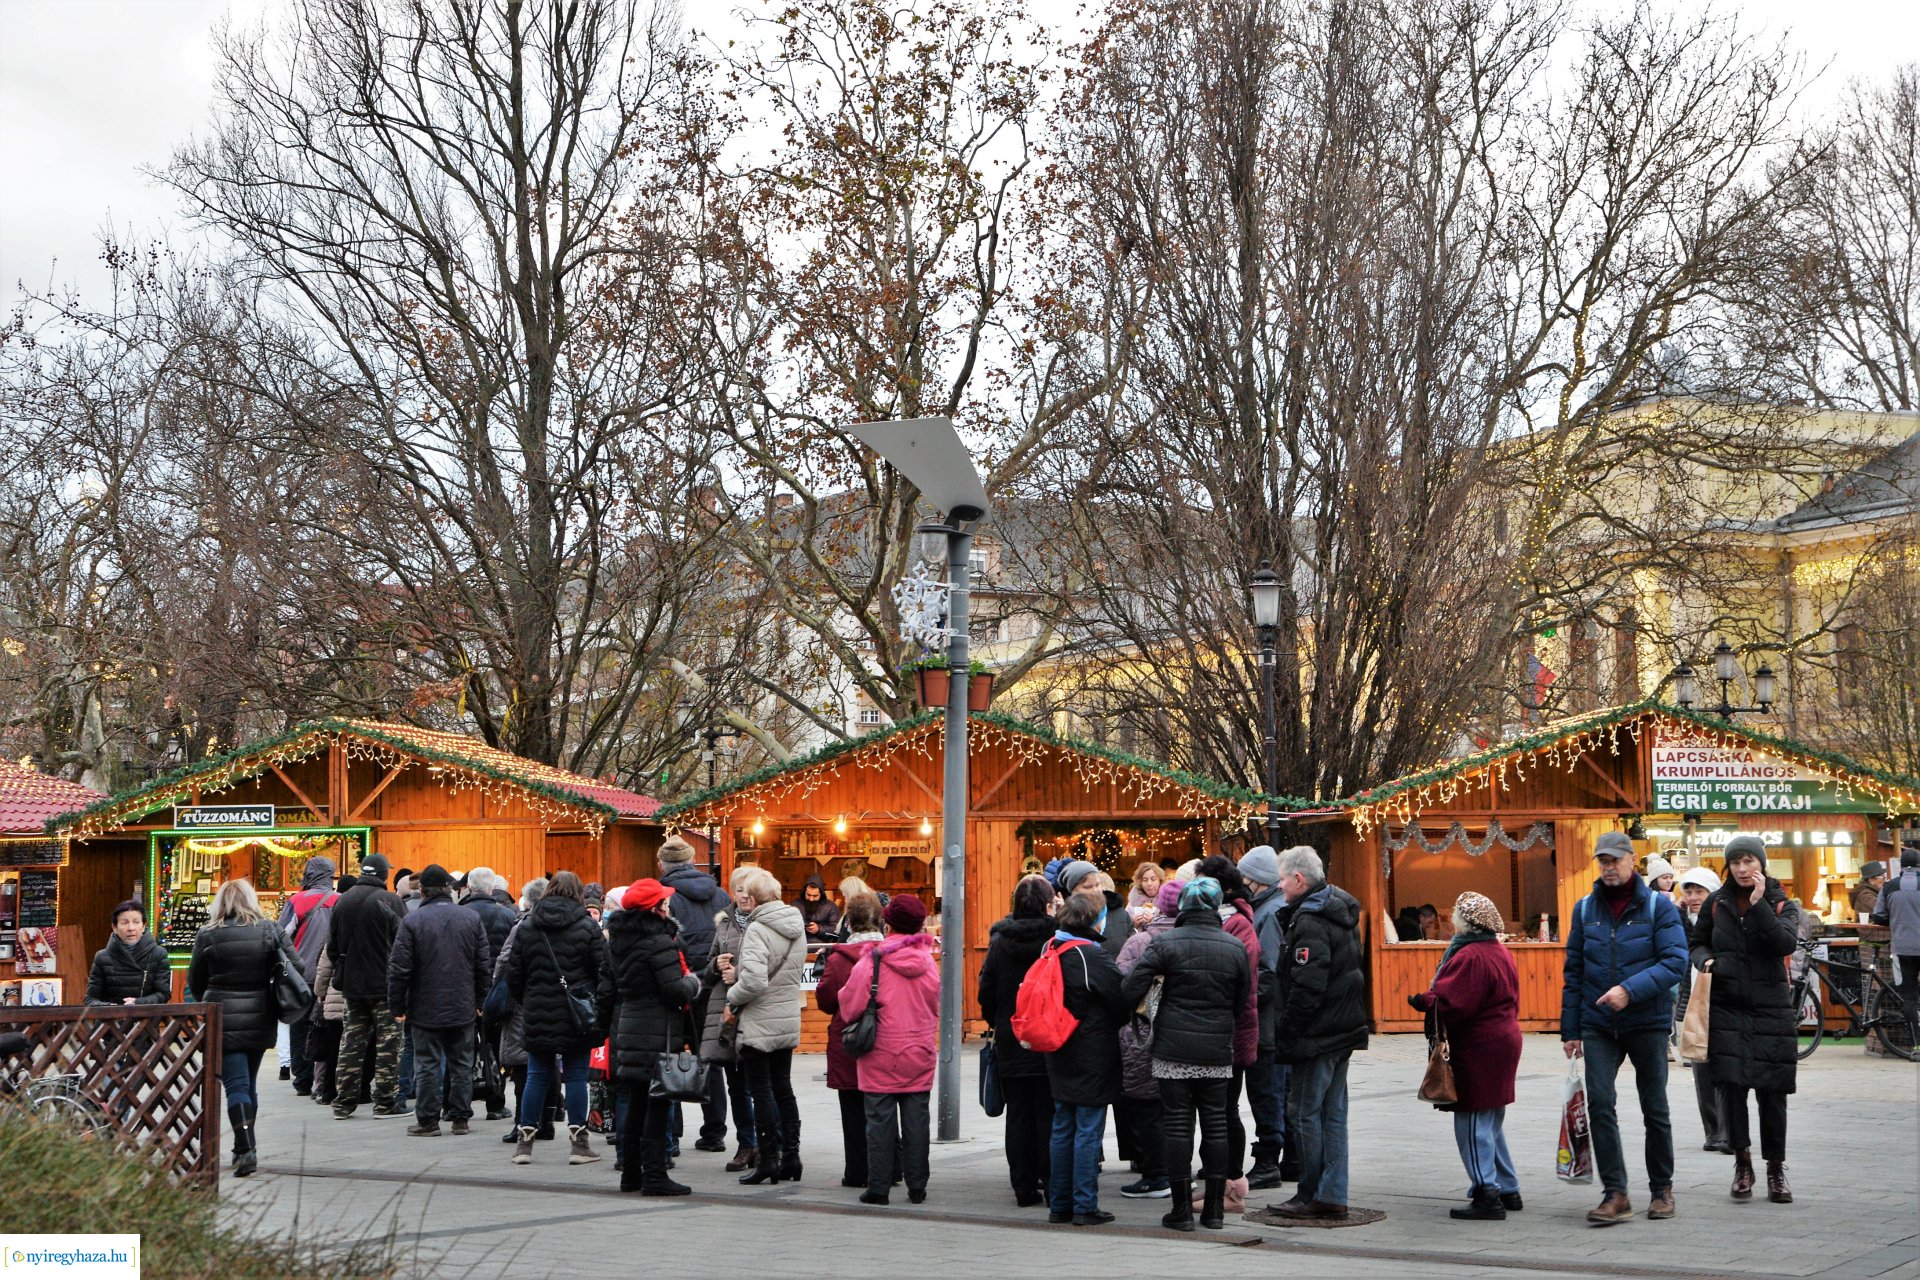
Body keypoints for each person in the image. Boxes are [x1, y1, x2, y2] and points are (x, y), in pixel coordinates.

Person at [1561, 829, 1689, 1225]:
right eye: (1603, 861)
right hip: (1599, 1024)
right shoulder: (1585, 909)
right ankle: (1615, 1194)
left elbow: (1675, 962)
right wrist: (1570, 1029)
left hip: (1646, 1022)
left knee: (1655, 1107)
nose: (1609, 867)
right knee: (1600, 1105)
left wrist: (1629, 991)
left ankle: (1661, 1189)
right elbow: (1574, 971)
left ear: (1633, 860)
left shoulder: (1657, 907)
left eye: (1615, 860)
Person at [1120, 877, 1250, 1232]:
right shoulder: (1234, 947)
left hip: (1172, 1049)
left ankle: (1181, 1211)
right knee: (1215, 1124)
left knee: (1177, 1125)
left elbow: (1130, 989)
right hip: (1216, 1049)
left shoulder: (1165, 944)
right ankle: (1214, 1211)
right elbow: (1240, 1002)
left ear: (1183, 908)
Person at [1692, 835, 1800, 1205]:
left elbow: (1785, 944)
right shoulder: (1716, 903)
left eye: (1749, 861)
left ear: (1761, 864)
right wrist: (1707, 961)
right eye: (1736, 862)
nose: (1742, 868)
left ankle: (1775, 1169)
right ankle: (1742, 1164)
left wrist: (1759, 906)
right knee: (1731, 1088)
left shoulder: (1782, 902)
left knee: (1773, 1092)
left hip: (1771, 1009)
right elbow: (1697, 942)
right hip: (1727, 1007)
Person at [1265, 846, 1367, 1222]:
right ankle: (1331, 1192)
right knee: (1333, 1113)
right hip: (1342, 1029)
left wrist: (1288, 1033)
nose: (1279, 886)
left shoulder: (1310, 919)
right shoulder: (1337, 909)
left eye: (1282, 879)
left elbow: (1307, 985)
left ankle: (1311, 1193)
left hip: (1318, 1035)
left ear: (1299, 879)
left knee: (1304, 1112)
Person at [1408, 892, 1523, 1221]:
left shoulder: (1471, 955)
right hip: (1502, 1040)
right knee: (1490, 1122)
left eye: (1457, 914)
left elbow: (1454, 1003)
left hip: (1478, 1046)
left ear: (1467, 922)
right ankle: (1507, 1187)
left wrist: (1425, 1001)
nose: (1453, 919)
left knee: (1472, 1121)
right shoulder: (1498, 950)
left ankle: (1487, 1193)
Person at [187, 879, 297, 1177]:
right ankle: (243, 1147)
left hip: (222, 1018)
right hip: (261, 1015)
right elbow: (295, 965)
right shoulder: (269, 930)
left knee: (236, 1086)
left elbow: (196, 982)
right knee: (248, 1085)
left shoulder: (208, 934)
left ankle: (246, 1149)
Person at [838, 893, 941, 1205]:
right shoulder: (928, 963)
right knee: (917, 1121)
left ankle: (879, 1188)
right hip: (919, 1050)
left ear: (888, 923)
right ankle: (917, 1187)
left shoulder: (872, 961)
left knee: (879, 1121)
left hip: (880, 1051)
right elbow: (934, 1004)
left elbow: (850, 1006)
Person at [506, 870, 613, 1166]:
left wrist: (529, 999)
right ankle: (579, 1145)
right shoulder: (587, 926)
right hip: (576, 1013)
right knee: (576, 1076)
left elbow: (513, 973)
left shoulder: (529, 925)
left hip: (537, 1009)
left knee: (537, 1075)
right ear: (578, 893)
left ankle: (524, 1144)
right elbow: (603, 970)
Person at [606, 877, 703, 1195]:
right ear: (654, 908)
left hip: (629, 1026)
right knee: (658, 1106)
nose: (668, 907)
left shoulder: (619, 940)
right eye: (664, 903)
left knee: (635, 1105)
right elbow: (674, 989)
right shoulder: (659, 941)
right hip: (657, 1030)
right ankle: (655, 1176)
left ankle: (631, 1174)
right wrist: (693, 982)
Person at [1041, 891, 1129, 1227]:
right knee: (1088, 1129)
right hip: (1092, 1051)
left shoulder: (1051, 947)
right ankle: (1084, 1205)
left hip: (1058, 1046)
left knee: (1062, 1126)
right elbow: (1121, 998)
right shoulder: (1090, 954)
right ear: (1094, 921)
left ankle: (1059, 1204)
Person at [388, 864, 490, 1138]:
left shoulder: (412, 921)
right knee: (462, 1064)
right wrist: (481, 1000)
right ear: (449, 889)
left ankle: (428, 1120)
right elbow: (483, 965)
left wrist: (396, 1005)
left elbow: (399, 968)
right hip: (462, 1004)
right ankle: (460, 1118)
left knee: (427, 1065)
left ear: (422, 891)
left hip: (424, 1006)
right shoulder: (470, 919)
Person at [977, 874, 1058, 1207]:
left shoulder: (1000, 942)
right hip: (1050, 1038)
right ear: (1047, 905)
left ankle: (1023, 1187)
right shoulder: (1055, 940)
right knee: (1049, 1113)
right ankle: (1052, 1183)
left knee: (1019, 1114)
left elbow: (986, 992)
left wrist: (998, 1021)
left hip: (1012, 1037)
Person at [722, 866, 806, 1185]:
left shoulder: (758, 929)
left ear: (755, 899)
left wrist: (732, 995)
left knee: (761, 1092)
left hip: (759, 1022)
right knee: (783, 1088)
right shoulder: (795, 925)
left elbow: (755, 982)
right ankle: (792, 1156)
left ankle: (769, 1159)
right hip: (786, 1017)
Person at [658, 835, 735, 1154]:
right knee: (711, 1056)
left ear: (662, 865)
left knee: (671, 1054)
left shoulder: (665, 896)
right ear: (692, 861)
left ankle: (671, 1135)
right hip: (715, 983)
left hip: (681, 983)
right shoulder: (720, 894)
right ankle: (714, 1131)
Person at [1113, 878, 1182, 1201]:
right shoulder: (1202, 939)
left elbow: (1123, 987)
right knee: (1180, 1109)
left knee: (1148, 1107)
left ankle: (1156, 1174)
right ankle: (1180, 1173)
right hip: (1186, 1037)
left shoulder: (1140, 942)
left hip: (1143, 1034)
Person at [328, 853, 409, 1120]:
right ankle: (385, 1103)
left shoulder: (342, 901)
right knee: (389, 1047)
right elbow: (404, 943)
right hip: (386, 987)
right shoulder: (391, 901)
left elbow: (332, 947)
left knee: (351, 1044)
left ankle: (344, 1102)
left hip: (352, 987)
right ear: (384, 875)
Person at [1198, 853, 1262, 1187]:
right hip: (1214, 1027)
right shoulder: (1214, 919)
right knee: (1214, 1106)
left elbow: (1240, 978)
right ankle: (1215, 1168)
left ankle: (1231, 1174)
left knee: (1226, 1106)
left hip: (1233, 1028)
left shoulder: (1238, 923)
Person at [814, 892, 885, 1190]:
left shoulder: (839, 959)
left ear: (849, 923)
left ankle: (857, 1171)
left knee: (853, 1110)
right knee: (885, 1107)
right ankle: (891, 1168)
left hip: (850, 1039)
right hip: (885, 1038)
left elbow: (826, 1000)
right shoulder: (891, 953)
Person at [700, 869, 764, 1173]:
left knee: (761, 1085)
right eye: (739, 890)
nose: (744, 895)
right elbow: (707, 970)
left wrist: (738, 975)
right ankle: (746, 1144)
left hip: (758, 1010)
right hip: (728, 1014)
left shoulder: (766, 922)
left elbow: (772, 968)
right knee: (737, 1086)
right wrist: (716, 965)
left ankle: (768, 1144)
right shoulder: (724, 924)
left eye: (749, 890)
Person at [1238, 845, 1292, 1189]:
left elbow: (1267, 972)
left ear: (1256, 879)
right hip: (1271, 1020)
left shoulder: (1269, 912)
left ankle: (1268, 1161)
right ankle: (1291, 1159)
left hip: (1267, 1023)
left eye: (1244, 876)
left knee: (1266, 1092)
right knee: (1275, 1091)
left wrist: (1244, 1002)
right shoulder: (1269, 907)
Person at [1674, 867, 1728, 1153]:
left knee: (1726, 1069)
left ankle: (1728, 1131)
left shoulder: (1725, 919)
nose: (1694, 897)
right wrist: (1677, 912)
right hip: (1693, 1003)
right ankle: (1713, 1132)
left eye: (1700, 891)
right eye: (1689, 891)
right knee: (1701, 1069)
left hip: (1723, 1002)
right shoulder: (1682, 921)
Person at [275, 855, 337, 1096]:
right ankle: (325, 1080)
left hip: (300, 975)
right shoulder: (339, 900)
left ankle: (302, 1079)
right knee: (326, 1028)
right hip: (330, 977)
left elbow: (281, 935)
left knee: (299, 1028)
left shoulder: (297, 901)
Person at [1869, 847, 1920, 1047]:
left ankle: (1916, 1045)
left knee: (1909, 997)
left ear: (1901, 865)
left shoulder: (1889, 887)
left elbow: (1879, 916)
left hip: (1903, 948)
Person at [85, 900, 171, 1006]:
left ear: (144, 926)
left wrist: (138, 1002)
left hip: (146, 1015)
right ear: (114, 927)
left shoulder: (158, 954)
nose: (131, 928)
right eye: (125, 922)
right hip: (113, 1016)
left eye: (136, 922)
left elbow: (163, 994)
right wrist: (110, 1008)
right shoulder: (102, 957)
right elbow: (90, 999)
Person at [797, 874, 842, 945]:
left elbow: (837, 931)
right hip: (799, 945)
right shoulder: (796, 905)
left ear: (821, 894)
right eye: (808, 895)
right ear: (804, 892)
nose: (811, 899)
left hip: (823, 947)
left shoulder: (831, 907)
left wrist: (819, 929)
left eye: (815, 896)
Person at [1127, 862, 1165, 926]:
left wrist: (1154, 921)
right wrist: (1134, 923)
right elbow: (1124, 926)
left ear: (1160, 880)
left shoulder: (1167, 901)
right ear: (1140, 882)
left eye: (1153, 879)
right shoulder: (1133, 902)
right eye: (1145, 880)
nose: (1149, 883)